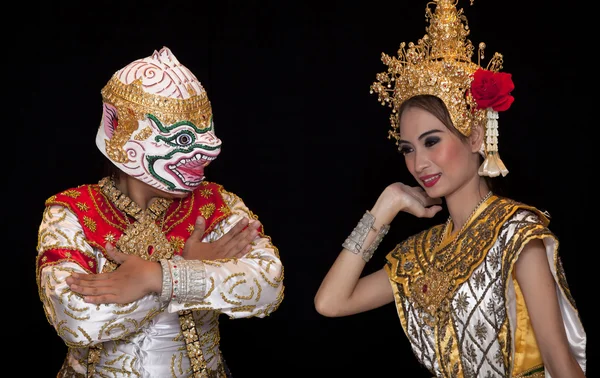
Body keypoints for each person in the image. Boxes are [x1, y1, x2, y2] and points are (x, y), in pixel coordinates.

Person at [313, 1, 586, 377]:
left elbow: (560, 363)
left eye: (431, 141)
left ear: (475, 137)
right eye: (408, 149)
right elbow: (330, 302)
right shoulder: (420, 253)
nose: (418, 163)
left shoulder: (517, 234)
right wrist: (386, 204)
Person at [35, 46, 285, 378]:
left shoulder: (216, 203)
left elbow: (269, 284)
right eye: (183, 139)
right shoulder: (71, 211)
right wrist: (194, 266)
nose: (208, 153)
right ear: (117, 129)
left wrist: (159, 277)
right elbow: (76, 319)